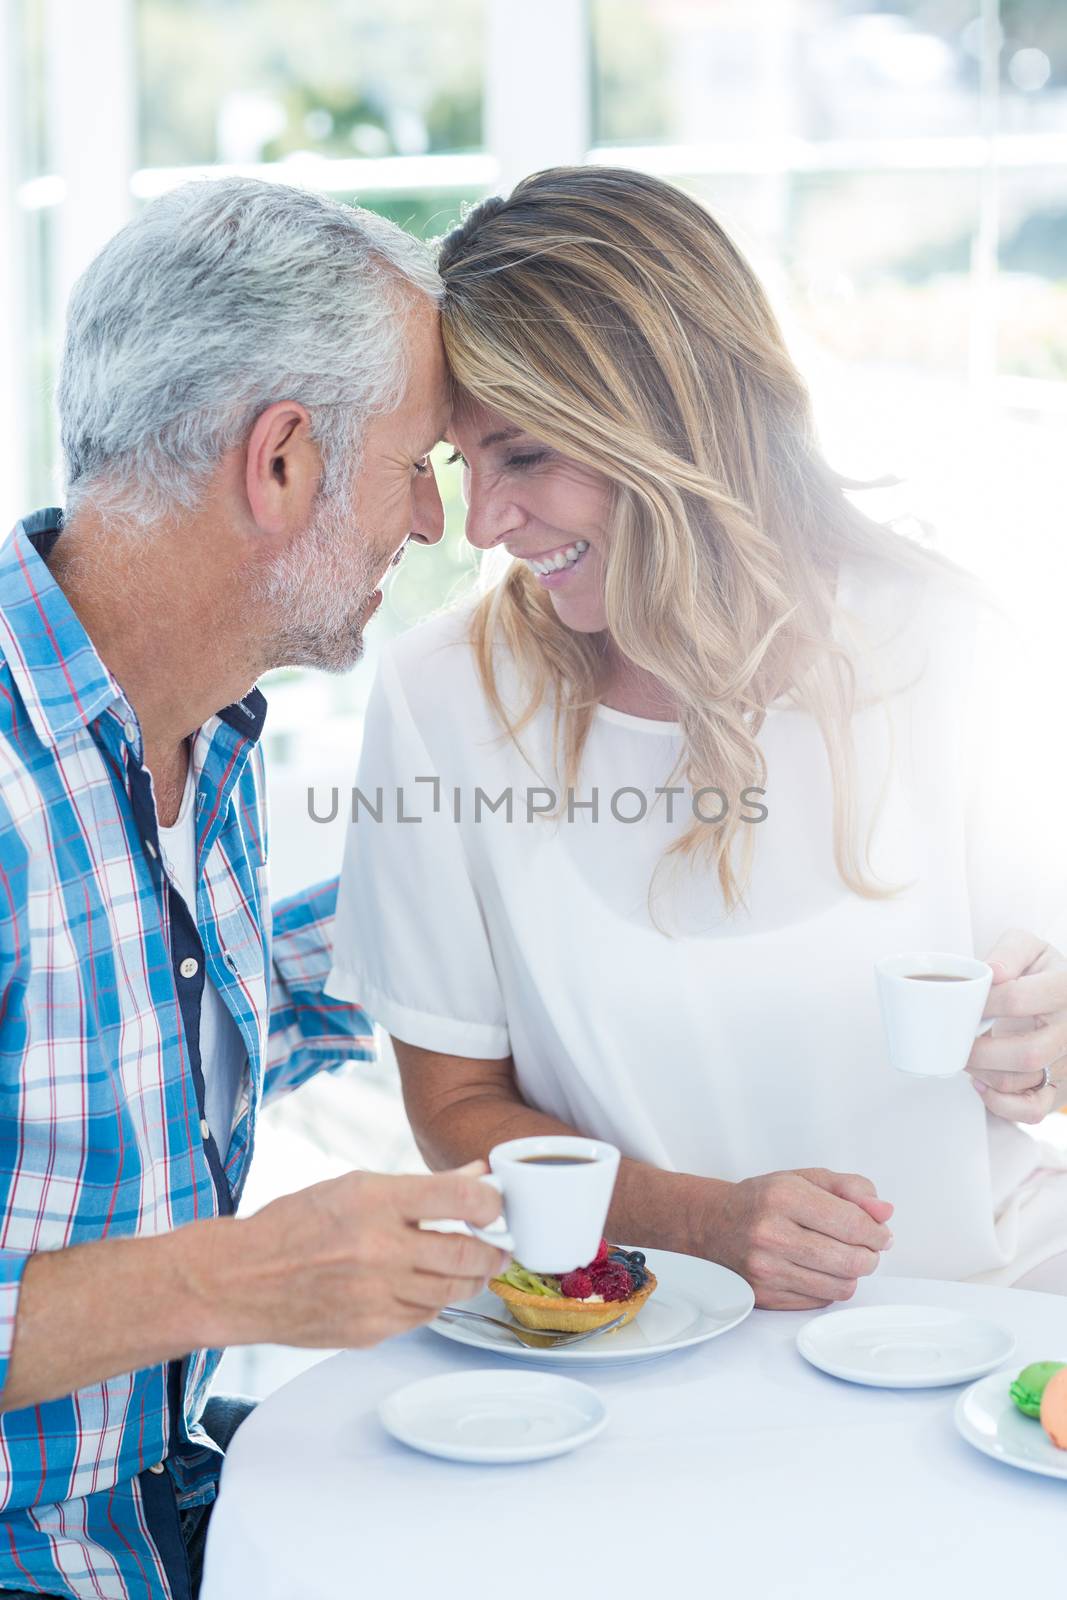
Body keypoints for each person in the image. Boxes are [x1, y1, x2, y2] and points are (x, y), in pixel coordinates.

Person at [328, 166, 1067, 1313]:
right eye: (459, 465)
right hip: (638, 1336)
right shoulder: (445, 697)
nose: (481, 522)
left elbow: (1045, 1028)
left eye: (523, 455)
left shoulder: (949, 648)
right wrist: (705, 1222)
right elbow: (454, 1107)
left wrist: (1045, 1046)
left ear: (673, 417)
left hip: (976, 1323)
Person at [0, 178, 507, 1600]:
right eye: (417, 464)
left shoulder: (193, 736)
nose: (431, 524)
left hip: (179, 1510)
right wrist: (238, 1277)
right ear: (280, 462)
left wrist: (502, 880)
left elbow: (172, 1030)